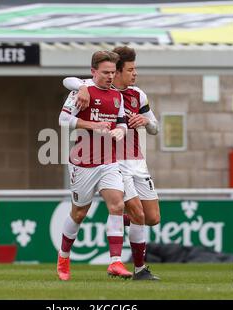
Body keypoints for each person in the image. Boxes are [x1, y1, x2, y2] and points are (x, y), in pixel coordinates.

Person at [62, 46, 161, 280]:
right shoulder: (97, 86)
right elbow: (69, 81)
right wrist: (83, 87)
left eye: (135, 69)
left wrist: (145, 121)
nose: (135, 74)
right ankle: (138, 269)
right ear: (117, 72)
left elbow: (155, 128)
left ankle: (113, 225)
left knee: (152, 218)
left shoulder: (138, 95)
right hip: (115, 161)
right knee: (134, 212)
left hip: (138, 163)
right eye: (130, 69)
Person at [57, 50, 132, 281]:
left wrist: (121, 130)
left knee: (117, 205)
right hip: (83, 164)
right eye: (106, 72)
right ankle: (63, 257)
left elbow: (122, 122)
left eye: (112, 72)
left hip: (108, 161)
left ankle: (115, 262)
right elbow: (62, 120)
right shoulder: (82, 91)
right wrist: (91, 124)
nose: (110, 76)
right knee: (79, 213)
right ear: (93, 72)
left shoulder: (117, 96)